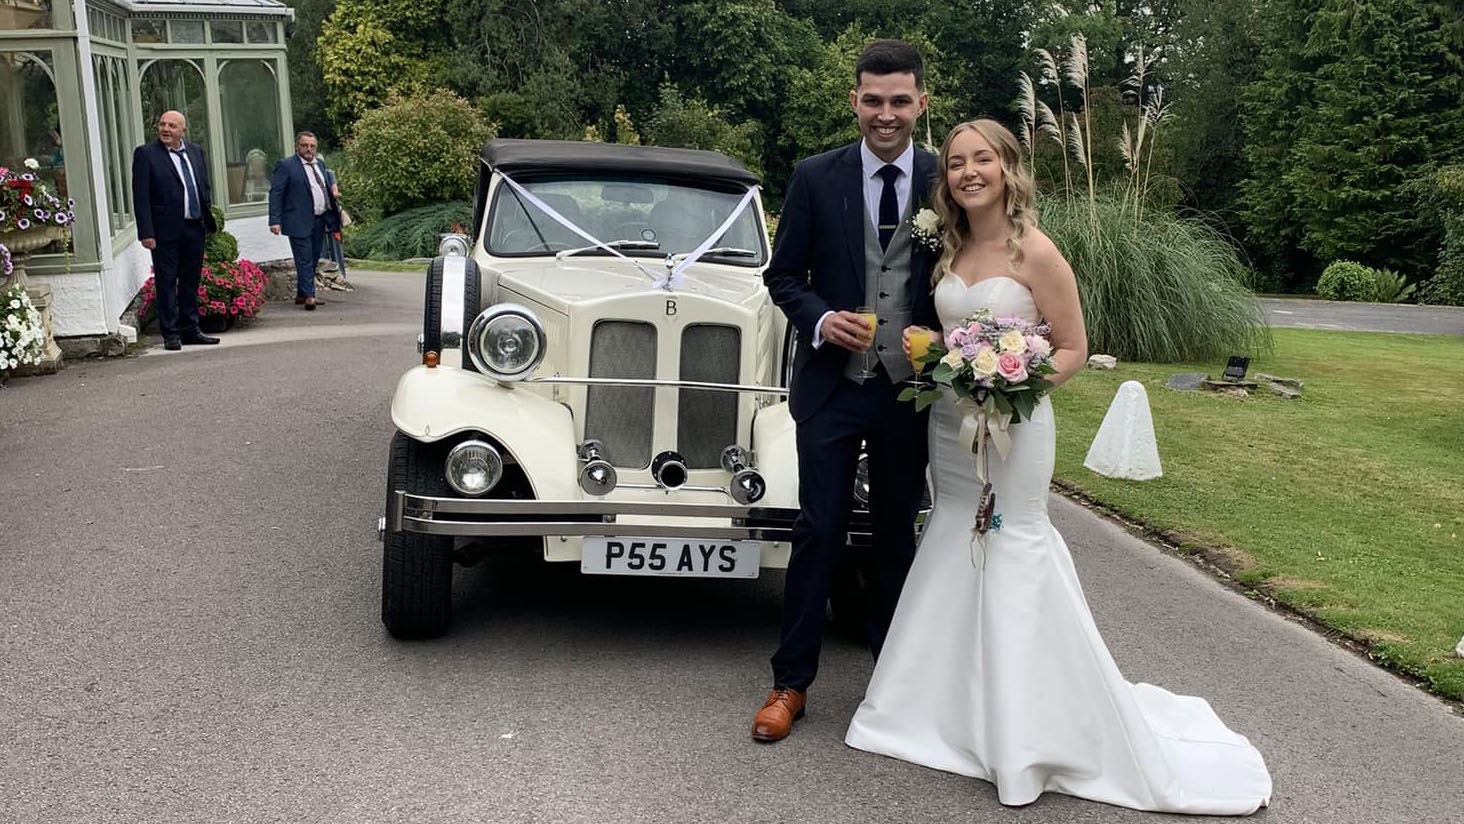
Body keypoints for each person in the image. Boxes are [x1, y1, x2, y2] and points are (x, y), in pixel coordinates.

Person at [844, 118, 1273, 815]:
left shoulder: (1036, 252)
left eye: (982, 159)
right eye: (956, 163)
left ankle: (1027, 731)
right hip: (952, 429)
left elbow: (1072, 347)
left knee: (1013, 543)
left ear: (1008, 167)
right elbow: (945, 331)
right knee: (955, 533)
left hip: (1015, 424)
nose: (968, 172)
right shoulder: (948, 246)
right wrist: (951, 371)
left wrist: (1011, 387)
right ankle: (936, 711)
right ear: (946, 178)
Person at [755, 39, 941, 743]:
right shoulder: (814, 176)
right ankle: (789, 684)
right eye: (872, 100)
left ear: (921, 103)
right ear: (854, 101)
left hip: (910, 391)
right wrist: (822, 319)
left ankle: (894, 686)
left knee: (897, 536)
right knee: (819, 530)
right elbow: (782, 277)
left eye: (899, 101)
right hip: (832, 389)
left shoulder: (943, 177)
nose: (884, 114)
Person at [131, 110, 220, 351]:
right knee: (167, 281)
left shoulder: (195, 151)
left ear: (183, 130)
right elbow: (141, 197)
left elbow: (203, 185)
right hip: (164, 231)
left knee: (191, 280)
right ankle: (171, 333)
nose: (165, 129)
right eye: (162, 124)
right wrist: (146, 232)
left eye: (172, 125)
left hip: (194, 227)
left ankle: (190, 329)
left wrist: (206, 215)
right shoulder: (146, 155)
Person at [268, 131, 338, 310]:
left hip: (319, 219)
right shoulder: (286, 165)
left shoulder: (320, 164)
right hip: (297, 220)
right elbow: (276, 193)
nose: (309, 149)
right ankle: (310, 296)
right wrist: (274, 220)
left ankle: (301, 294)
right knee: (304, 259)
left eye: (312, 146)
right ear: (297, 146)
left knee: (314, 257)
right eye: (305, 145)